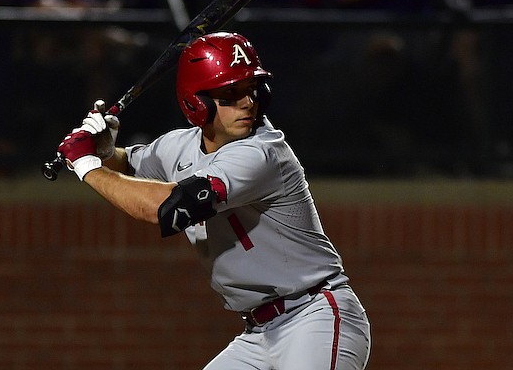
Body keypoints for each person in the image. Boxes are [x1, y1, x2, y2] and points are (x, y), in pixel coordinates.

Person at [56, 32, 372, 369]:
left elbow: (165, 208)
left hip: (313, 317)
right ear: (196, 103)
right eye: (229, 94)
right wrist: (103, 152)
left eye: (251, 89)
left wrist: (87, 167)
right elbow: (130, 166)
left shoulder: (260, 153)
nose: (247, 102)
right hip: (258, 331)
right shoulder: (178, 146)